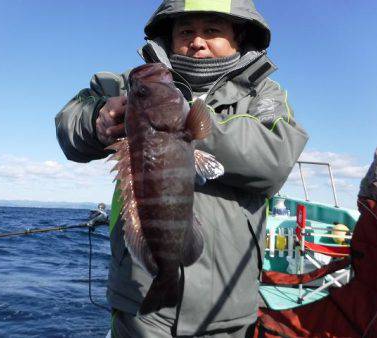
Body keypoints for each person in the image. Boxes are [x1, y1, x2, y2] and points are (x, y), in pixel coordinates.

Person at [55, 0, 308, 336]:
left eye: (212, 31)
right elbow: (69, 122)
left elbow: (274, 158)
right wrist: (96, 118)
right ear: (168, 38)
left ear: (239, 37)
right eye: (186, 31)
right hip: (140, 301)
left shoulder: (263, 93)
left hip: (226, 310)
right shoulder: (136, 84)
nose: (197, 41)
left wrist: (183, 126)